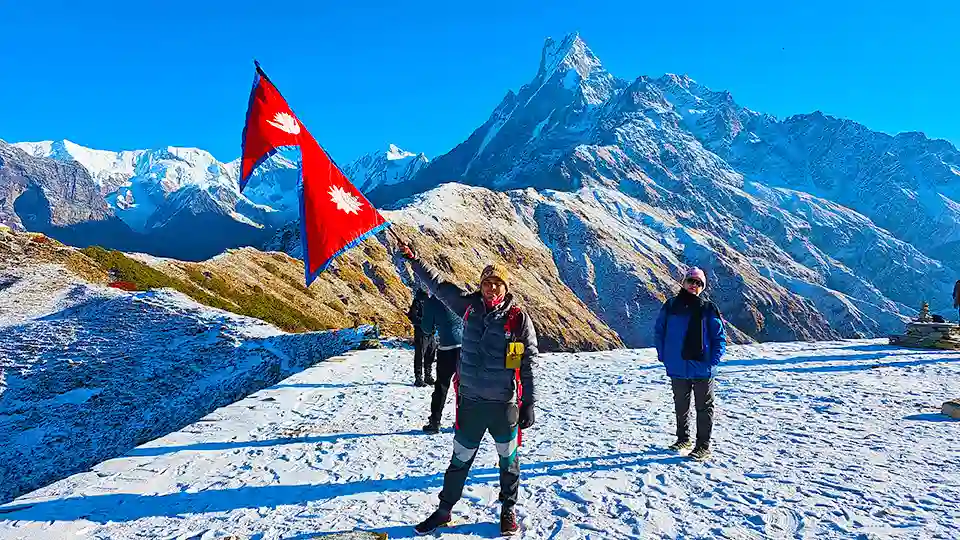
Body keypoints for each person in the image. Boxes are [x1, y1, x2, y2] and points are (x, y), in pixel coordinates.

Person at [399, 244, 537, 537]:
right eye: (487, 282)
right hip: (471, 403)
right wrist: (414, 259)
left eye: (497, 283)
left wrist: (528, 402)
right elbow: (438, 286)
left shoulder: (517, 319)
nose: (491, 288)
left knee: (508, 461)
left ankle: (508, 509)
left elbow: (527, 362)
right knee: (459, 460)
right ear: (481, 285)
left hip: (503, 405)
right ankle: (444, 510)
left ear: (506, 287)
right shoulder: (468, 307)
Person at [654, 267, 726, 461]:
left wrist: (713, 361)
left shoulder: (708, 308)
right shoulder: (670, 306)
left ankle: (702, 446)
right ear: (683, 282)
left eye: (698, 283)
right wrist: (664, 355)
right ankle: (683, 439)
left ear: (702, 287)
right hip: (677, 366)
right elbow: (660, 331)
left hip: (702, 367)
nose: (694, 285)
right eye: (691, 281)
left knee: (704, 408)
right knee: (681, 405)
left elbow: (719, 337)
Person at [419, 291, 465, 434]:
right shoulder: (457, 296)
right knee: (464, 386)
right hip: (464, 347)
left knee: (441, 387)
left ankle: (435, 422)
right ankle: (463, 421)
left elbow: (426, 328)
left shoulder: (432, 301)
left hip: (446, 348)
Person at [407, 288, 437, 387]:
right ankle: (418, 378)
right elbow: (412, 316)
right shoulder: (417, 301)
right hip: (421, 333)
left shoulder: (430, 301)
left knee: (430, 354)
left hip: (431, 333)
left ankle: (428, 376)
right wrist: (425, 322)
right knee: (420, 355)